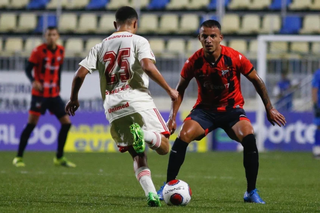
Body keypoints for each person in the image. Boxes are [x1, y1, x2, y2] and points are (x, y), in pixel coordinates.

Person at [157, 20, 286, 204]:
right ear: (199, 39)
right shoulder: (194, 61)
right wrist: (172, 117)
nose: (209, 40)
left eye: (212, 36)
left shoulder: (234, 57)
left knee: (249, 136)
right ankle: (168, 185)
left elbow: (257, 80)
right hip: (205, 111)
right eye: (204, 36)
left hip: (232, 110)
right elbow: (180, 90)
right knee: (183, 135)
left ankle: (250, 192)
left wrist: (269, 108)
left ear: (220, 38)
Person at [65, 6, 178, 207]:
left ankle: (151, 194)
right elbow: (147, 66)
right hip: (137, 99)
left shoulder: (99, 47)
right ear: (135, 23)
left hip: (112, 105)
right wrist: (170, 90)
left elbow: (79, 75)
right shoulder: (139, 40)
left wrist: (74, 98)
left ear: (115, 24)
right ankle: (144, 135)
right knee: (164, 147)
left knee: (137, 154)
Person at [12, 27, 75, 168]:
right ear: (45, 36)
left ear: (57, 36)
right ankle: (18, 157)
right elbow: (28, 68)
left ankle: (59, 157)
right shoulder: (38, 51)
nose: (51, 37)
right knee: (31, 125)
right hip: (40, 95)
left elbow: (58, 70)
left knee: (66, 123)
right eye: (49, 35)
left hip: (54, 94)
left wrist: (59, 85)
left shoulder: (60, 51)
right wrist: (33, 81)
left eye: (54, 34)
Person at [312, 68, 320, 159]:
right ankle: (317, 150)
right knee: (319, 126)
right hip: (319, 105)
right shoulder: (318, 73)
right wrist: (315, 104)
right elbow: (314, 89)